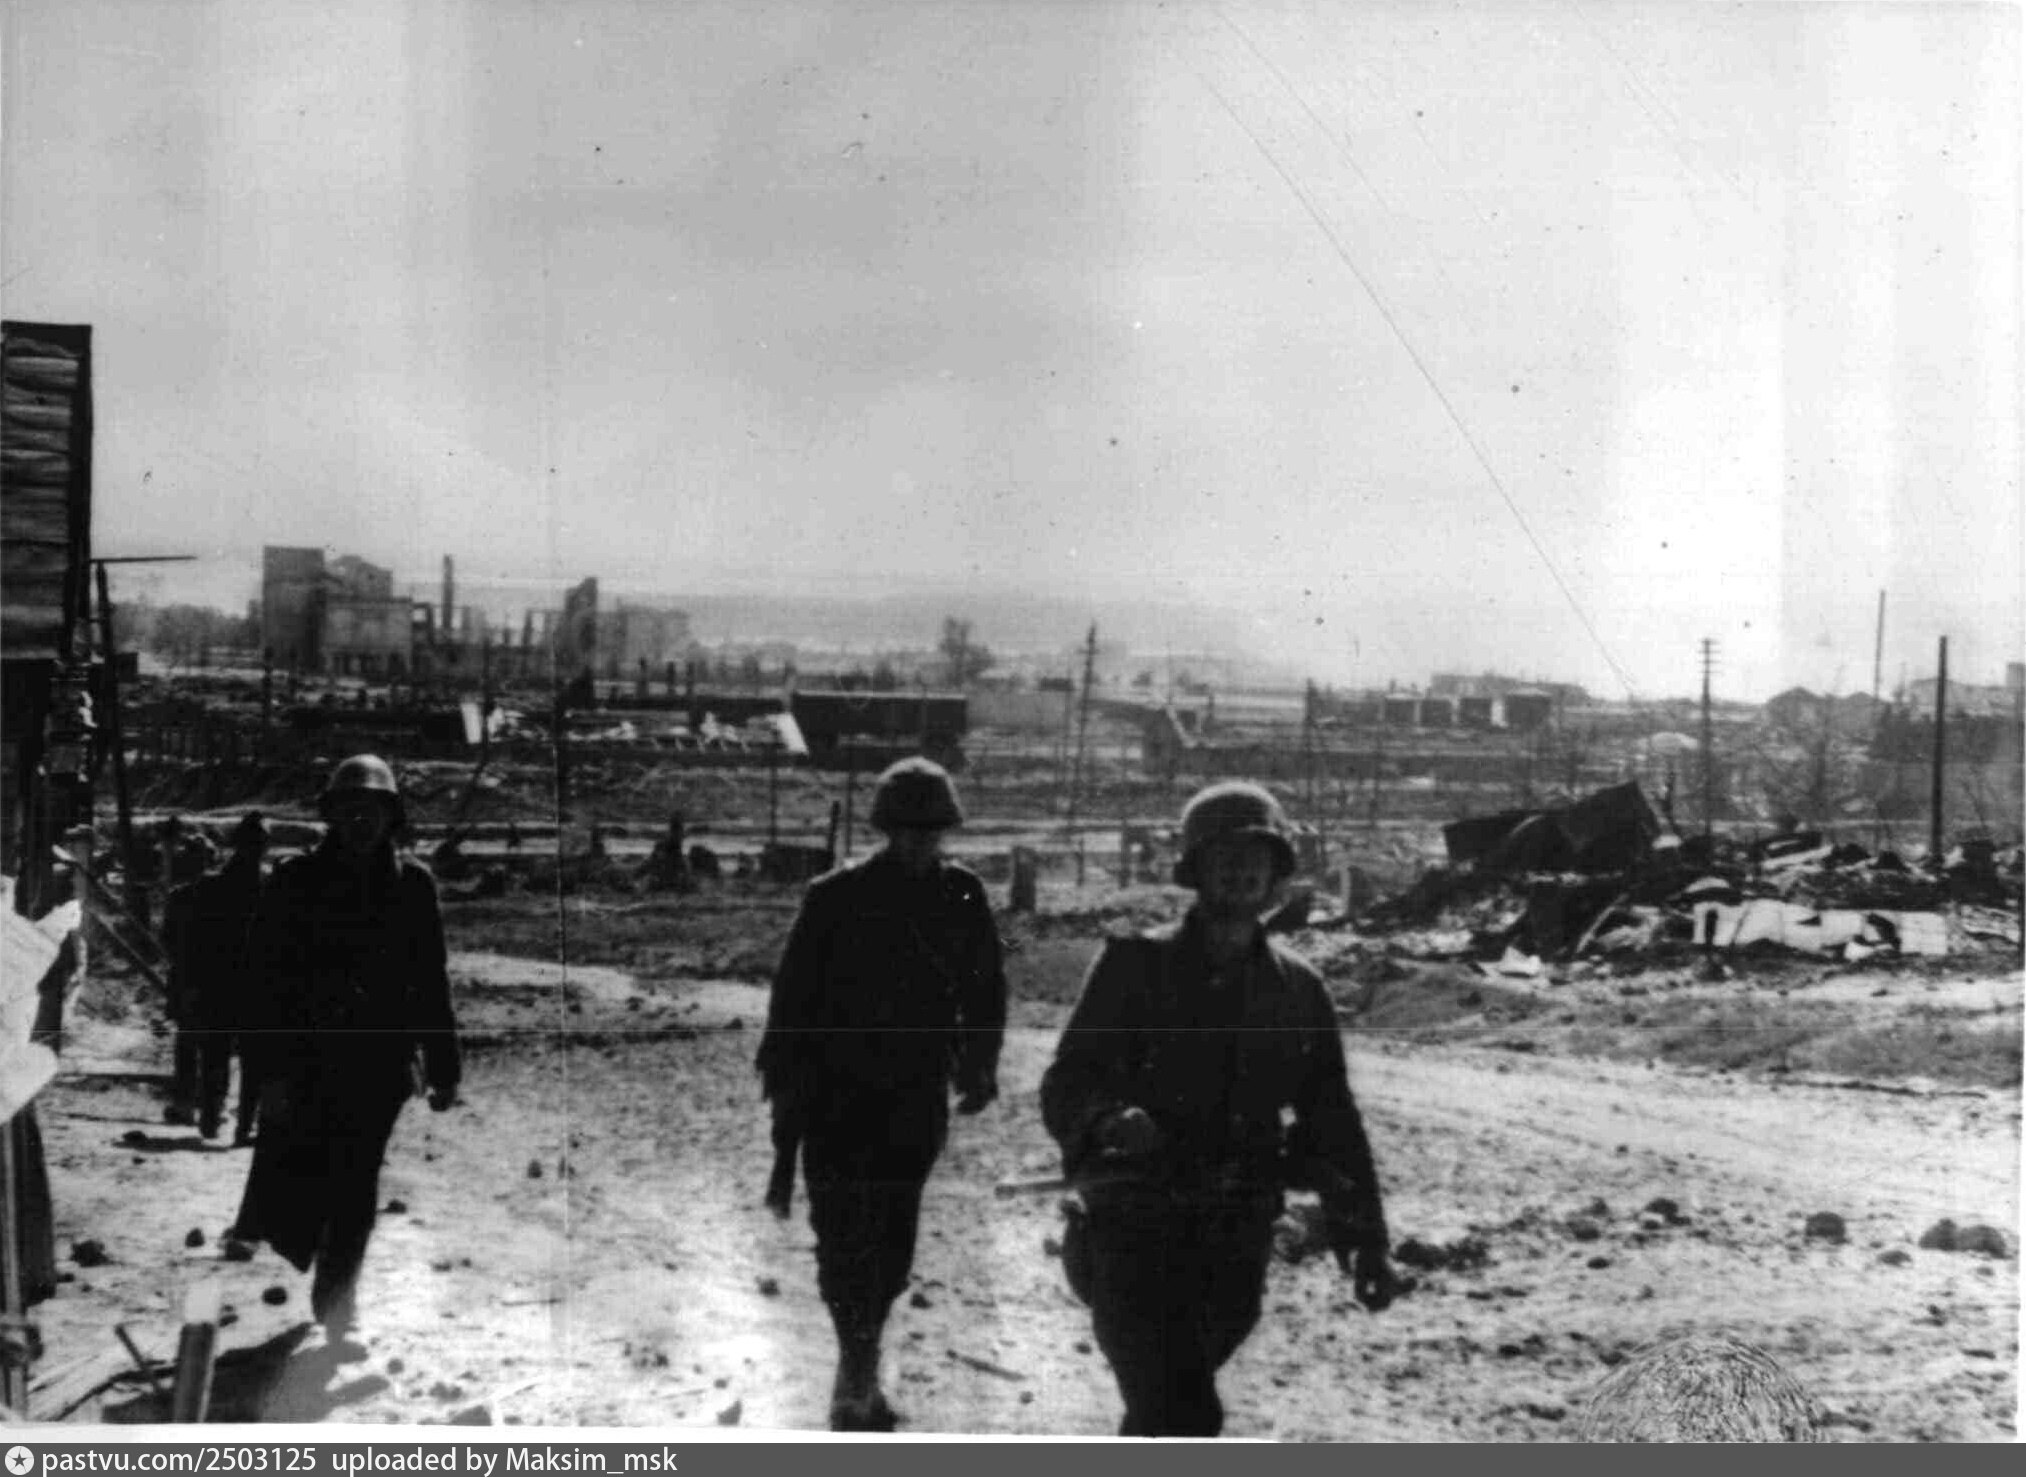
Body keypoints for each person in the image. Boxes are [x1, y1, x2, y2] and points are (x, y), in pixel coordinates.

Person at [1040, 780, 1400, 1438]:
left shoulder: (1298, 989)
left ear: (1277, 873)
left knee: (1167, 1407)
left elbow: (1332, 1121)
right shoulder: (1133, 964)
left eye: (1256, 857)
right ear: (1196, 869)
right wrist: (1108, 1119)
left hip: (1235, 1239)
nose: (1241, 871)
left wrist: (1366, 1242)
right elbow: (1068, 1080)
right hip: (1134, 1228)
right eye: (1224, 856)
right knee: (1184, 1409)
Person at [755, 757, 1006, 1431]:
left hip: (913, 1092)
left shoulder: (962, 894)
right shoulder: (834, 896)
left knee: (892, 1236)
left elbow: (986, 984)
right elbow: (791, 999)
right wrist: (786, 1088)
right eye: (907, 830)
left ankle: (862, 1356)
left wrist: (980, 1063)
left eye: (931, 831)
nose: (920, 843)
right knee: (841, 1232)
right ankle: (855, 1365)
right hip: (835, 1093)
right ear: (886, 828)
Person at [230, 755, 462, 1358]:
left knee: (356, 1186)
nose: (362, 820)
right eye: (350, 810)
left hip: (379, 1066)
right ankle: (320, 1277)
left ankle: (339, 1310)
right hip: (306, 1062)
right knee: (309, 1176)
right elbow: (261, 983)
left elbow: (429, 980)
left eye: (373, 810)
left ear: (391, 817)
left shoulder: (412, 886)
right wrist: (265, 1073)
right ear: (331, 816)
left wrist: (444, 1067)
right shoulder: (295, 881)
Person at [161, 812, 270, 1140]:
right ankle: (241, 1123)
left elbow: (187, 936)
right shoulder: (270, 885)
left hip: (219, 980)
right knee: (251, 1056)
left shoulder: (211, 886)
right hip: (252, 980)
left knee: (216, 1050)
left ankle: (212, 1114)